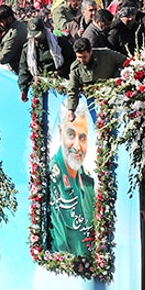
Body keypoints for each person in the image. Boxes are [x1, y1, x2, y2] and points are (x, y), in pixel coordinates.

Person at [46, 98, 96, 256]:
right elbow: (59, 249)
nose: (77, 146)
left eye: (82, 137)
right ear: (60, 132)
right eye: (71, 135)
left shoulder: (88, 182)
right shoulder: (53, 178)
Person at [66, 37, 125, 121]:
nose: (81, 60)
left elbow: (124, 61)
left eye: (84, 57)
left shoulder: (106, 55)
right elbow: (72, 89)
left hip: (113, 95)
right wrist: (71, 110)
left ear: (90, 52)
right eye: (79, 57)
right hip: (95, 99)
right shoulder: (76, 68)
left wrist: (116, 77)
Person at [18, 18, 75, 102]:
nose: (36, 40)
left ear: (44, 31)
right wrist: (23, 89)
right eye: (33, 37)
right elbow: (24, 70)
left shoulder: (60, 43)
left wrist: (60, 72)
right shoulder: (27, 49)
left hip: (61, 85)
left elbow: (72, 61)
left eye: (38, 36)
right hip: (40, 88)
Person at [0, 5, 27, 73]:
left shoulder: (14, 33)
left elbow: (2, 59)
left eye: (1, 22)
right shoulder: (17, 24)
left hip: (18, 70)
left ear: (9, 19)